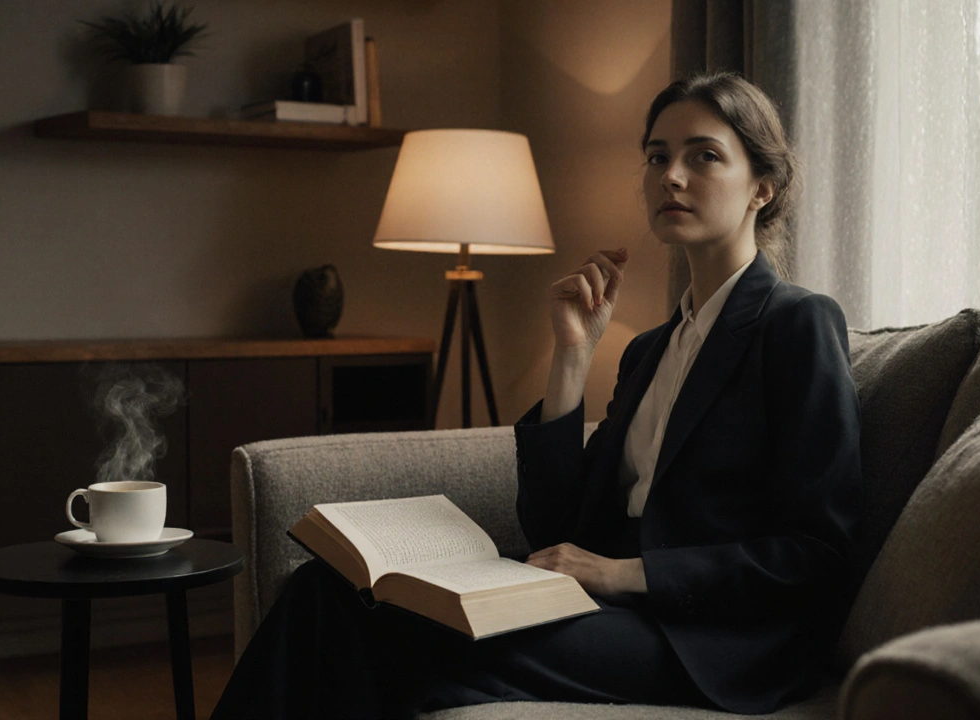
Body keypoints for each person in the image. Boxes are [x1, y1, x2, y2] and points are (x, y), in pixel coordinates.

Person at [210, 71, 861, 720]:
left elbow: (816, 553)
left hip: (708, 640)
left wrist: (620, 573)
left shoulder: (796, 324)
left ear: (762, 187)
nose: (671, 176)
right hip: (602, 605)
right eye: (657, 156)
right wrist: (572, 357)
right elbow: (553, 527)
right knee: (324, 588)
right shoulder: (650, 351)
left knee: (402, 640)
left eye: (704, 156)